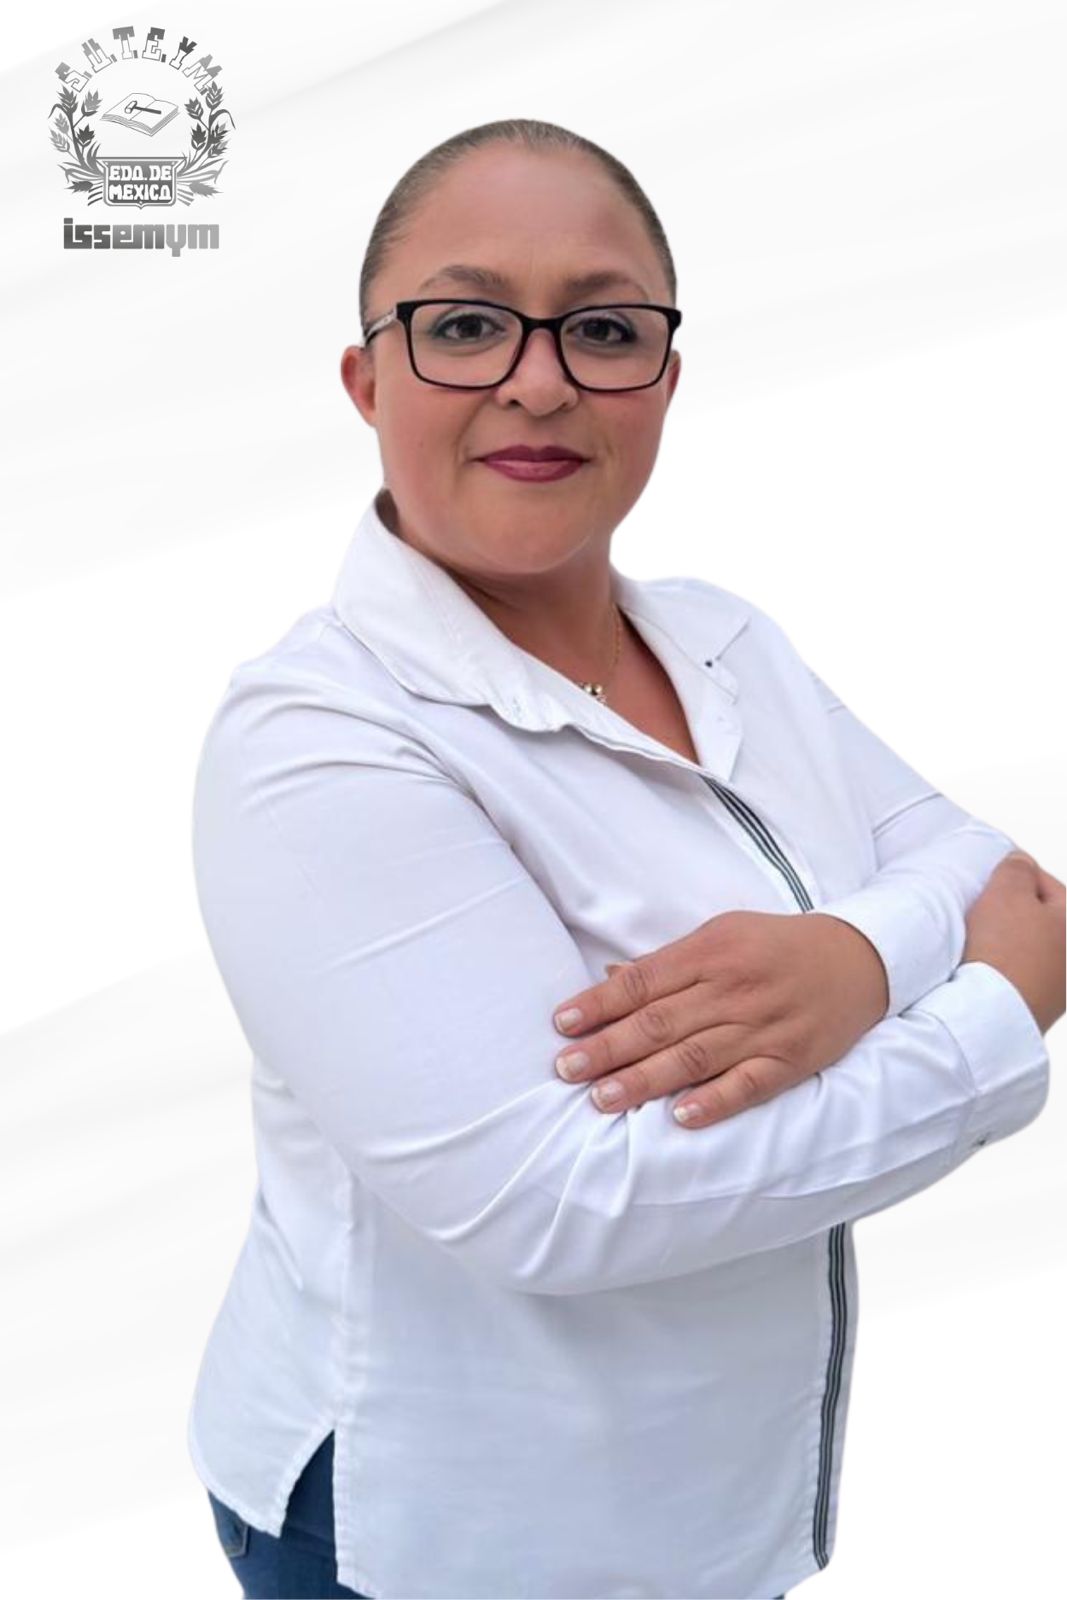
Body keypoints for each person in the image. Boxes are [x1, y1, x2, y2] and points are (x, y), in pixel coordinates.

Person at [187, 118, 1064, 1600]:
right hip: (445, 1538)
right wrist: (989, 1019)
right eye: (465, 324)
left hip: (708, 1512)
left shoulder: (727, 640)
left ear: (663, 377)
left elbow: (1002, 878)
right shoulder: (316, 744)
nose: (538, 379)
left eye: (601, 330)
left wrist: (854, 960)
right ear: (367, 379)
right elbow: (559, 1202)